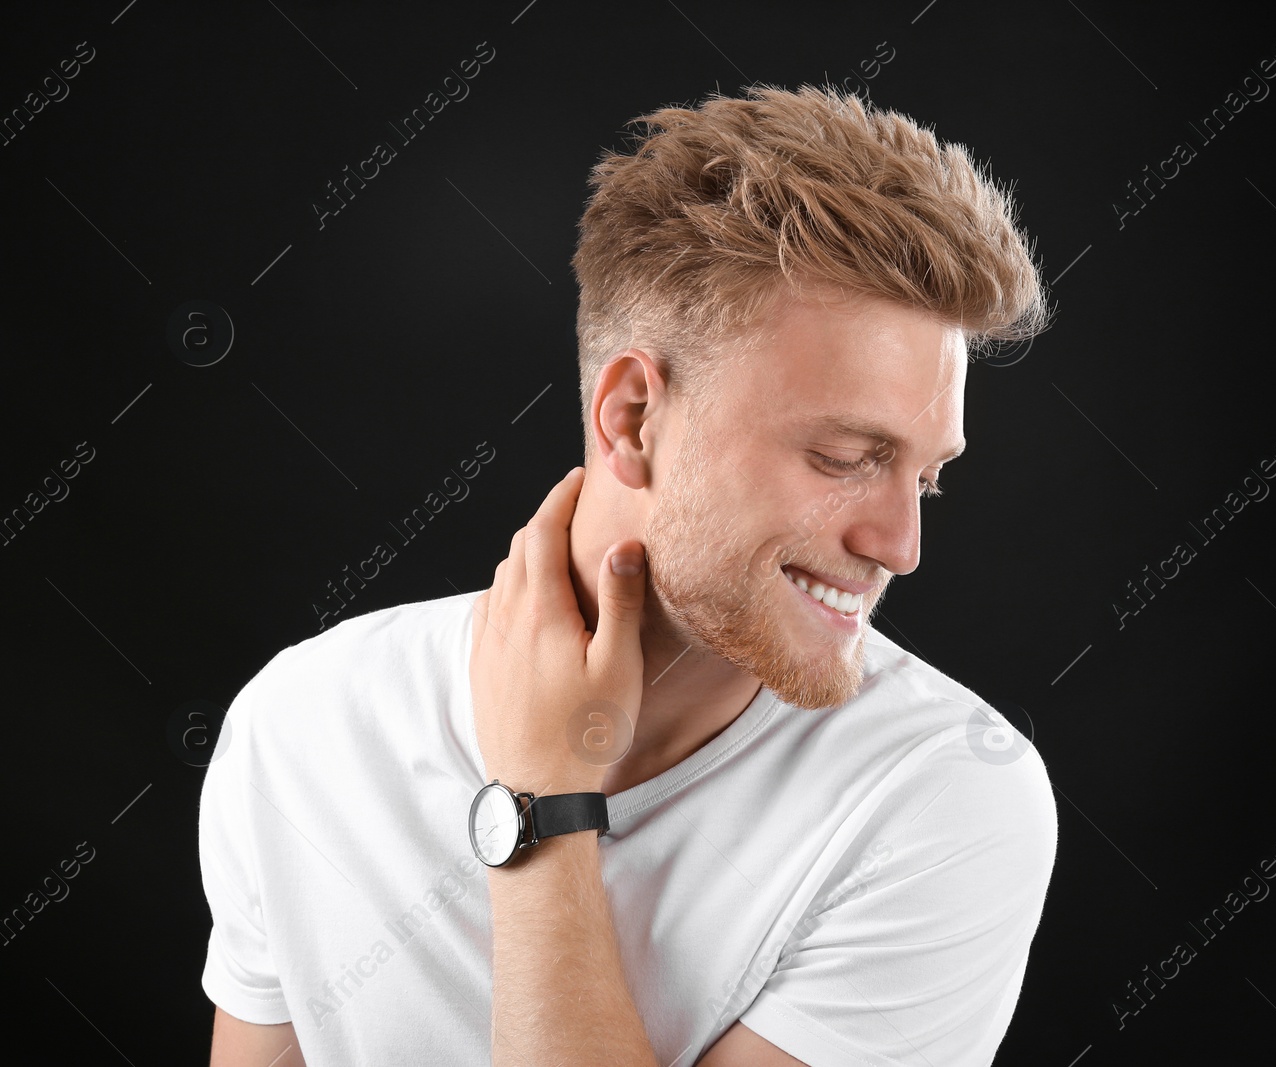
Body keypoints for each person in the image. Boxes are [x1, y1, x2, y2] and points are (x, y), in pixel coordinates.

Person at [200, 83, 1058, 1066]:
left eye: (926, 475)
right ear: (633, 419)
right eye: (843, 456)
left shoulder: (942, 795)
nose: (900, 543)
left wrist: (540, 814)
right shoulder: (302, 720)